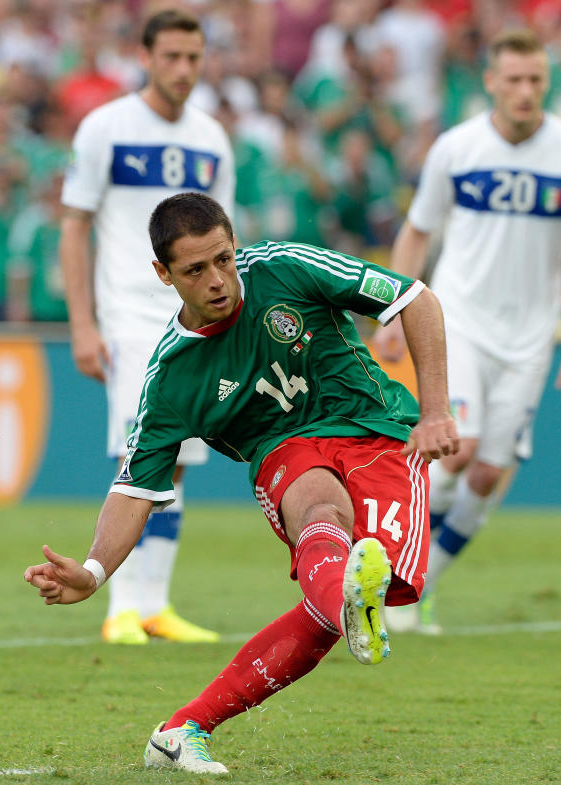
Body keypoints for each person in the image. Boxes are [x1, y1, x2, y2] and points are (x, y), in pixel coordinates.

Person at [25, 192, 459, 774]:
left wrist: (435, 412)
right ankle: (349, 599)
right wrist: (94, 571)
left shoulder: (285, 266)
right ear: (163, 274)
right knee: (320, 511)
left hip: (381, 435)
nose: (218, 280)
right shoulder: (173, 377)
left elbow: (415, 299)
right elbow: (134, 487)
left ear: (235, 244)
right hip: (285, 452)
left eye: (224, 259)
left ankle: (184, 727)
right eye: (195, 270)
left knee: (347, 601)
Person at [373, 28, 561, 634]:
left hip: (532, 337)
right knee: (461, 448)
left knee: (487, 473)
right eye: (514, 79)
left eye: (535, 80)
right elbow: (417, 230)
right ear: (490, 82)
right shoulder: (457, 149)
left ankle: (417, 582)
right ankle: (388, 562)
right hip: (460, 323)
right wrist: (395, 310)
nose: (525, 91)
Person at [60, 9, 235, 644]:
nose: (185, 70)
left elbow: (225, 242)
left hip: (191, 318)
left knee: (181, 457)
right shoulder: (106, 128)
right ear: (146, 57)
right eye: (172, 57)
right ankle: (119, 607)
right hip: (131, 315)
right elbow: (74, 224)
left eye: (194, 57)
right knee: (142, 450)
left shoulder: (212, 138)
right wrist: (83, 322)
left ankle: (154, 604)